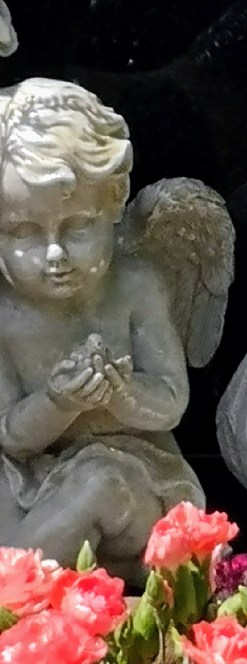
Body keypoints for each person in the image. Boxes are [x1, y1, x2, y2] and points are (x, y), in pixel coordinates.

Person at [0, 78, 203, 578]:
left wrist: (120, 393)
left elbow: (171, 402)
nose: (54, 254)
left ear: (114, 201)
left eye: (78, 226)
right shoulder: (4, 313)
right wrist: (59, 402)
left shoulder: (137, 286)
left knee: (100, 483)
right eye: (22, 232)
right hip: (27, 478)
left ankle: (16, 588)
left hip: (136, 476)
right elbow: (12, 437)